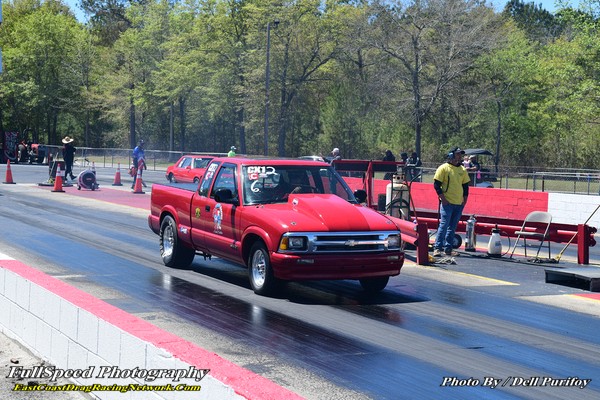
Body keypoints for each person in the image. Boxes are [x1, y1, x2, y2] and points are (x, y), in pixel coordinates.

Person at [432, 147, 470, 257]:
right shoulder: (443, 168)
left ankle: (448, 248)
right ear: (451, 155)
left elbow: (465, 186)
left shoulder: (462, 170)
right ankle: (437, 247)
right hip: (447, 203)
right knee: (444, 225)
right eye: (457, 154)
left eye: (460, 154)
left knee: (452, 227)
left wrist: (465, 200)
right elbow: (436, 185)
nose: (459, 156)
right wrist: (443, 199)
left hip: (459, 203)